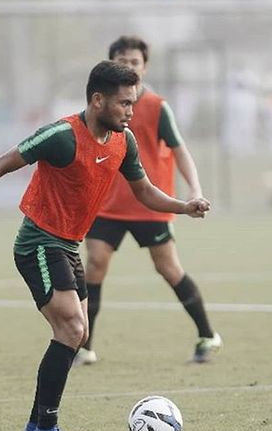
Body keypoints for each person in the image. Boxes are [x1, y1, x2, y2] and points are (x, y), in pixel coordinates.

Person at [0, 60, 210, 431]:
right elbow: (0, 165)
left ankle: (35, 427)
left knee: (77, 332)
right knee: (73, 330)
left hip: (68, 245)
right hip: (37, 244)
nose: (131, 111)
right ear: (97, 100)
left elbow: (143, 192)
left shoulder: (123, 141)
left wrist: (183, 205)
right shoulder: (61, 136)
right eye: (124, 104)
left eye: (133, 103)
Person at [76, 36, 222, 366]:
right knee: (95, 264)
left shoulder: (157, 107)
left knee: (168, 268)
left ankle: (207, 335)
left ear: (145, 67)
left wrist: (194, 190)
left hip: (150, 203)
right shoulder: (100, 106)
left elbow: (180, 150)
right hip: (107, 204)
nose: (129, 67)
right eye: (122, 61)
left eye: (135, 62)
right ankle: (84, 345)